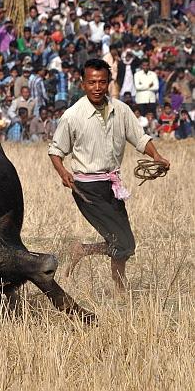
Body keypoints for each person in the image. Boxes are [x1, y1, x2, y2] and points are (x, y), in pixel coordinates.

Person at [48, 59, 170, 292]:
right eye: (92, 82)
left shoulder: (121, 110)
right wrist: (63, 172)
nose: (97, 87)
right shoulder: (72, 115)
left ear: (108, 83)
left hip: (112, 185)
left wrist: (157, 156)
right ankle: (120, 287)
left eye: (102, 82)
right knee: (123, 242)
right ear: (83, 84)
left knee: (124, 243)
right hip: (85, 187)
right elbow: (56, 151)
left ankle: (87, 254)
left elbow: (140, 138)